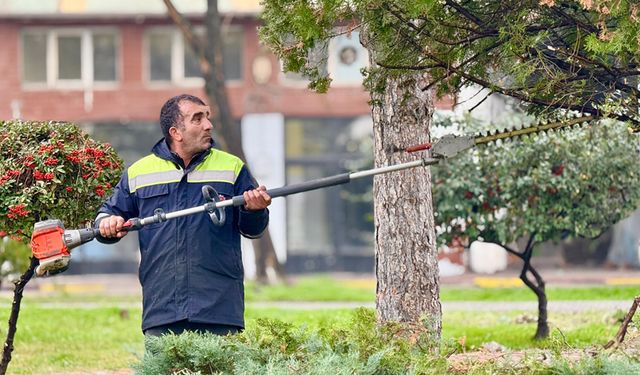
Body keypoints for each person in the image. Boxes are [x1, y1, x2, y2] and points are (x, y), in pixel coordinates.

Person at [95, 94, 271, 337]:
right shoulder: (139, 172)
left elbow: (253, 229)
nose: (208, 125)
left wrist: (255, 209)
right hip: (162, 308)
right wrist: (107, 223)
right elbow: (108, 215)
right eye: (197, 119)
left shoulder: (232, 167)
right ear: (176, 132)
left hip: (219, 308)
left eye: (207, 117)